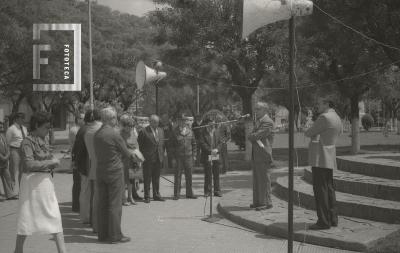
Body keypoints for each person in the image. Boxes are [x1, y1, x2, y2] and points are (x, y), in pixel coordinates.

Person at [15, 112, 67, 253]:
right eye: (46, 127)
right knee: (26, 217)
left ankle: (62, 250)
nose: (48, 130)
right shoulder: (27, 142)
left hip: (45, 184)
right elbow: (29, 164)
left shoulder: (42, 139)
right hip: (32, 185)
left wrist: (53, 160)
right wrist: (51, 162)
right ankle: (18, 250)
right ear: (36, 126)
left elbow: (45, 158)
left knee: (55, 216)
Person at [94, 107, 134, 243]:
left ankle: (103, 234)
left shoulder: (97, 133)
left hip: (100, 171)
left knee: (103, 204)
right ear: (110, 119)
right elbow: (126, 152)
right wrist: (134, 157)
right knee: (115, 205)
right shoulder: (114, 134)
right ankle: (115, 235)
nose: (116, 120)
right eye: (115, 118)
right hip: (114, 171)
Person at [305, 97, 342, 230]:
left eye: (319, 103)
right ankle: (333, 218)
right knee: (329, 189)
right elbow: (338, 133)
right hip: (330, 156)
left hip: (320, 157)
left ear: (327, 103)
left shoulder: (324, 117)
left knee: (320, 190)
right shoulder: (337, 117)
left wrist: (310, 126)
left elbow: (308, 132)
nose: (317, 106)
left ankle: (323, 221)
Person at [248, 102, 275, 211]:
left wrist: (251, 135)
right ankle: (258, 202)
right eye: (255, 109)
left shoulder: (267, 122)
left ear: (264, 110)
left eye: (258, 109)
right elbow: (252, 135)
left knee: (264, 179)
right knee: (257, 179)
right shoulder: (259, 121)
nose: (256, 111)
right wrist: (251, 135)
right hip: (257, 154)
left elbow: (256, 135)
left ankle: (266, 203)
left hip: (264, 154)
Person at [137, 114, 165, 203]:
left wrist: (162, 155)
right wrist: (142, 158)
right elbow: (139, 146)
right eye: (155, 122)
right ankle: (147, 196)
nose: (157, 124)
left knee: (156, 178)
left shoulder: (161, 131)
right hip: (148, 159)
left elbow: (161, 144)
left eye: (157, 122)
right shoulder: (144, 131)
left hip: (158, 158)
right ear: (150, 122)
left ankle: (156, 194)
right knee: (147, 178)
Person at [83, 109, 102, 233]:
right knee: (100, 199)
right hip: (102, 167)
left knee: (94, 198)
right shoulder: (100, 129)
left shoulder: (87, 131)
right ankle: (98, 225)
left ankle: (94, 224)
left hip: (93, 166)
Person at [119, 114, 144, 206]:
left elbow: (136, 144)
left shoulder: (133, 133)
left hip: (134, 159)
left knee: (132, 180)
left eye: (132, 126)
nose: (131, 128)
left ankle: (130, 197)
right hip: (125, 160)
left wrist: (138, 155)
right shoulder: (120, 134)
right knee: (124, 180)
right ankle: (123, 198)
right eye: (129, 126)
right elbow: (123, 147)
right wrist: (131, 153)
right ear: (124, 126)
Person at [171, 115, 197, 200]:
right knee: (177, 176)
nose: (183, 122)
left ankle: (189, 193)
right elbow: (171, 146)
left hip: (189, 157)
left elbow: (194, 144)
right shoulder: (175, 132)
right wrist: (173, 158)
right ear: (178, 121)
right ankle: (176, 194)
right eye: (181, 120)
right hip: (178, 157)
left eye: (184, 121)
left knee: (189, 175)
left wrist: (194, 155)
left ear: (186, 122)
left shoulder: (190, 131)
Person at [199, 118, 223, 197]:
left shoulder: (217, 131)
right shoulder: (202, 133)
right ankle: (207, 191)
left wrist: (217, 149)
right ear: (207, 124)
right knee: (208, 174)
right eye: (210, 124)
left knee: (216, 174)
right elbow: (202, 144)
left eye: (213, 123)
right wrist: (210, 150)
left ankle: (217, 191)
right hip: (207, 155)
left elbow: (220, 142)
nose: (212, 125)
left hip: (215, 154)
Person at [6, 112, 28, 193]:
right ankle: (11, 191)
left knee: (22, 171)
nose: (23, 119)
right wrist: (7, 154)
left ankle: (21, 190)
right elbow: (7, 142)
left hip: (23, 151)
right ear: (16, 119)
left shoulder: (24, 128)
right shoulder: (11, 129)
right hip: (14, 150)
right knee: (13, 171)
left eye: (23, 118)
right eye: (21, 118)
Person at [69, 113, 85, 212]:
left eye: (84, 118)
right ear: (77, 119)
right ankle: (76, 205)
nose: (83, 120)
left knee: (80, 182)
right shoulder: (75, 130)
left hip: (79, 157)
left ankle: (79, 204)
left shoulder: (82, 129)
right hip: (77, 157)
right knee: (77, 182)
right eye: (81, 118)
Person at [0, 121, 17, 200]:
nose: (2, 128)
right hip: (1, 160)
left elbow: (7, 146)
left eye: (2, 127)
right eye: (0, 127)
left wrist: (7, 155)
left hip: (4, 162)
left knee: (8, 177)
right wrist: (2, 157)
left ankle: (10, 194)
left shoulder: (3, 136)